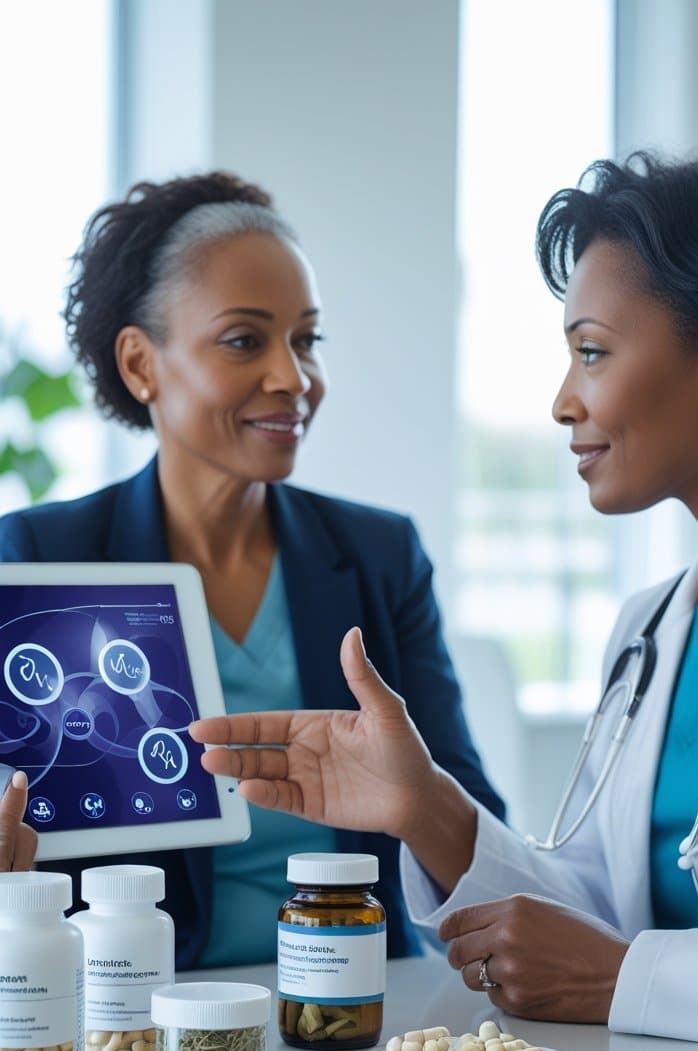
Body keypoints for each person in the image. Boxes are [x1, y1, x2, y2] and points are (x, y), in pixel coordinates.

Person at [192, 137, 698, 1051]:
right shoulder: (649, 630)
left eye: (593, 353)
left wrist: (629, 978)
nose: (564, 402)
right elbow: (587, 924)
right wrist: (425, 806)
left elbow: (611, 966)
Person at [0, 171, 505, 966]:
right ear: (140, 363)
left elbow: (481, 852)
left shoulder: (380, 557)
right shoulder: (39, 558)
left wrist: (416, 801)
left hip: (357, 1001)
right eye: (245, 340)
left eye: (306, 340)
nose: (293, 378)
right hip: (143, 1006)